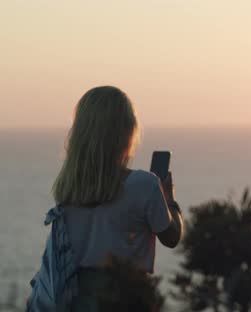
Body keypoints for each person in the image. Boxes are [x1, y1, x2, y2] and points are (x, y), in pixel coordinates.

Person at [27, 86, 183, 311]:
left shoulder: (68, 188)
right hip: (126, 298)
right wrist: (169, 198)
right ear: (126, 132)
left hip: (76, 301)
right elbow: (171, 236)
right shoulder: (144, 185)